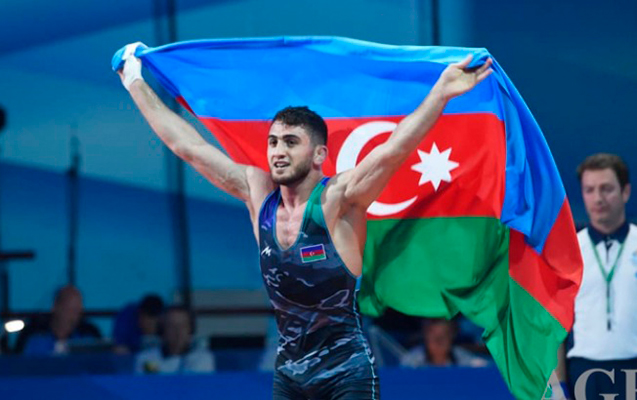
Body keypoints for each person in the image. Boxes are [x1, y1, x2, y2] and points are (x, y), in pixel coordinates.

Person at [116, 42, 492, 399]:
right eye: (273, 141)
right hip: (290, 375)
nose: (278, 152)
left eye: (291, 142)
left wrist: (441, 93)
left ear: (319, 155)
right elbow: (188, 147)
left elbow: (393, 151)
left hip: (347, 372)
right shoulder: (258, 195)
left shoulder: (338, 199)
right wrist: (134, 81)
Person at [566, 153, 636, 399]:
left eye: (606, 189)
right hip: (584, 369)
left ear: (625, 192)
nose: (598, 198)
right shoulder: (569, 251)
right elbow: (555, 325)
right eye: (589, 190)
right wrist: (556, 385)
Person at [14, 285, 101, 355]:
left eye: (77, 309)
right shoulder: (34, 336)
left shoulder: (88, 337)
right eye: (69, 308)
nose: (74, 315)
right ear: (55, 307)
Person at [135, 306, 215, 374]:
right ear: (163, 330)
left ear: (191, 330)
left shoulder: (203, 359)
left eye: (183, 326)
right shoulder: (146, 359)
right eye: (171, 326)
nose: (178, 332)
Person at [400, 318, 488, 368]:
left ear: (451, 336)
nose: (439, 341)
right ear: (425, 336)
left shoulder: (463, 358)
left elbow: (482, 369)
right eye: (434, 337)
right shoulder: (411, 361)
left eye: (443, 336)